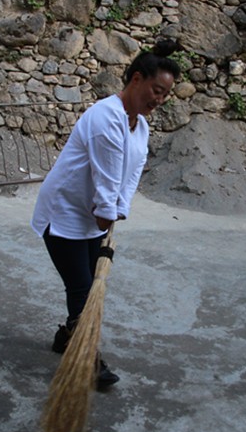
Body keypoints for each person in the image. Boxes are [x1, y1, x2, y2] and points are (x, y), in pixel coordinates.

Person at [31, 39, 182, 390]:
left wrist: (119, 210)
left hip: (93, 216)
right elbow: (107, 175)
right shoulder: (105, 117)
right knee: (83, 288)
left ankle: (67, 337)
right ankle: (87, 357)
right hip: (64, 214)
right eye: (156, 90)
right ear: (136, 79)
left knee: (87, 284)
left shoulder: (140, 126)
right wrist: (106, 211)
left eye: (165, 95)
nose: (159, 100)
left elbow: (130, 174)